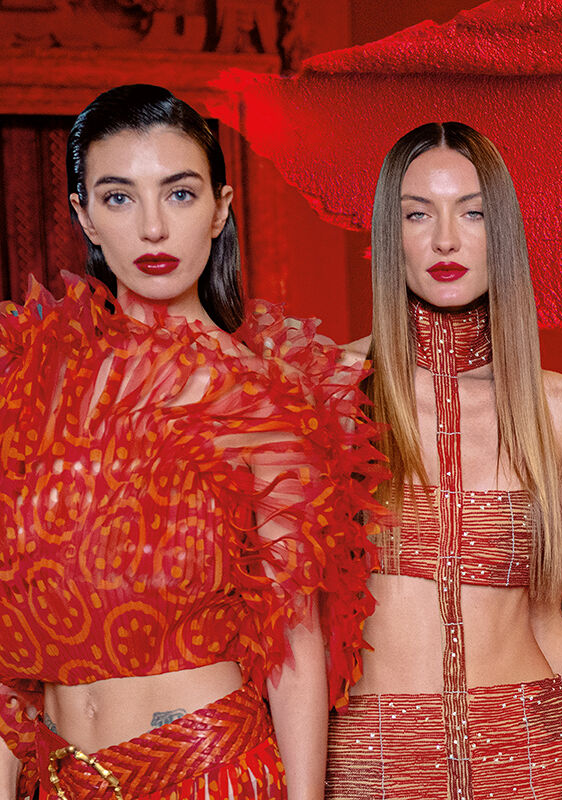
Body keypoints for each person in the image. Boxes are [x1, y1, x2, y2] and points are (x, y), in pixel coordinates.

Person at [0, 84, 381, 800]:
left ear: (220, 210)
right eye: (118, 197)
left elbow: (294, 639)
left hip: (205, 771)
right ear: (83, 213)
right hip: (55, 778)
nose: (151, 228)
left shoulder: (262, 398)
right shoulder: (28, 383)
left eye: (178, 194)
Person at [325, 122, 562, 800]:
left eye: (473, 211)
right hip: (374, 767)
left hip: (532, 758)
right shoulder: (330, 397)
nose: (446, 239)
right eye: (417, 214)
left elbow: (544, 613)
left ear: (504, 234)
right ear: (387, 235)